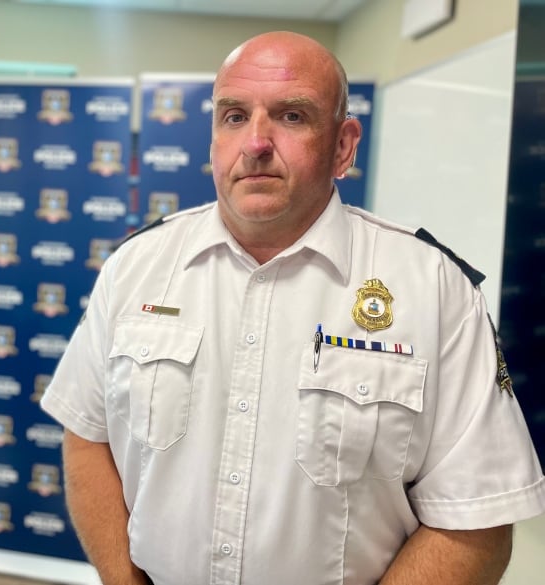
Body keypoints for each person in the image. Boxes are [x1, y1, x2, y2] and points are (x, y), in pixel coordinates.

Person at [40, 31, 545, 585]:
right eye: (233, 116)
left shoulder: (436, 291)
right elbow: (87, 434)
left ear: (343, 145)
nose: (255, 142)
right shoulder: (135, 267)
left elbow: (474, 520)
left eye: (291, 116)